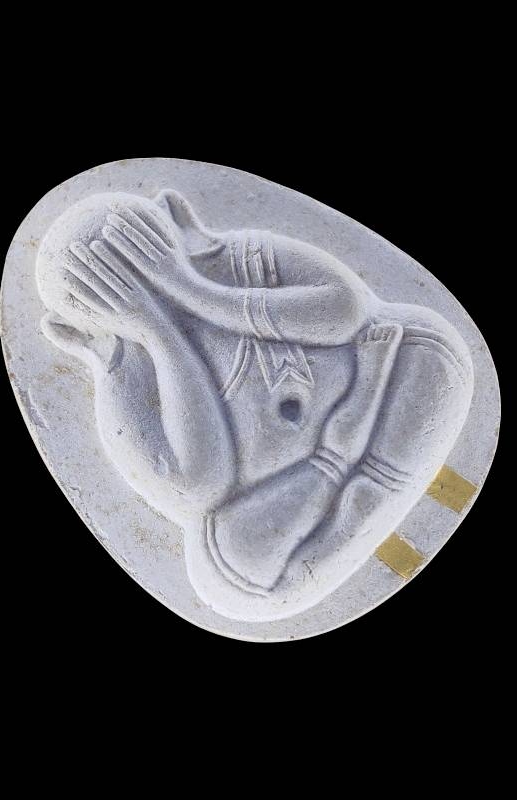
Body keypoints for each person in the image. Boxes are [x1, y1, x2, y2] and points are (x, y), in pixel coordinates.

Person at [37, 190, 473, 614]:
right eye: (115, 293)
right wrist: (157, 332)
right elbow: (195, 485)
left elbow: (345, 310)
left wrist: (190, 287)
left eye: (147, 258)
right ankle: (350, 474)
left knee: (430, 343)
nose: (154, 293)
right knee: (231, 572)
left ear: (177, 218)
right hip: (299, 496)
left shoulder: (243, 259)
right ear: (77, 332)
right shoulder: (125, 373)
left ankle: (363, 493)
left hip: (377, 418)